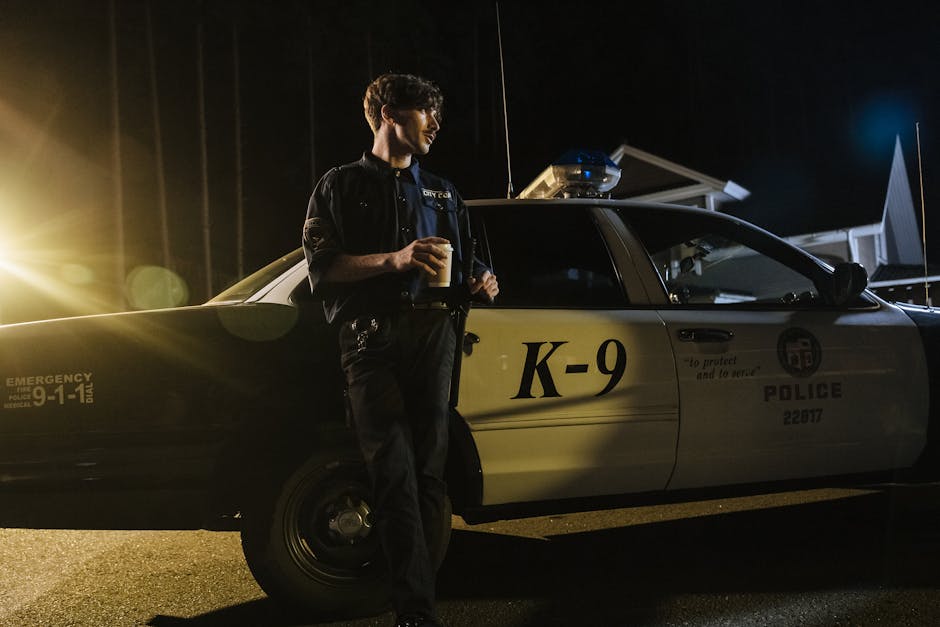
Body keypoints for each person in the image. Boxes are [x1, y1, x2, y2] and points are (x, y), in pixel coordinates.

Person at [302, 73, 498, 627]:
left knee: (430, 475)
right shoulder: (338, 185)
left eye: (437, 115)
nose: (435, 124)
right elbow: (323, 268)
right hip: (371, 340)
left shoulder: (443, 190)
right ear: (390, 114)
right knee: (392, 473)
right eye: (424, 113)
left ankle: (420, 601)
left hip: (435, 335)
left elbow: (473, 260)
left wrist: (484, 280)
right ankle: (415, 612)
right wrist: (394, 259)